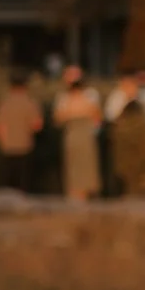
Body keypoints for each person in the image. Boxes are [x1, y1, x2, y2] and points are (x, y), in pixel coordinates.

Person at [52, 63, 106, 205]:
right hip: (72, 136)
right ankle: (75, 195)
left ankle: (86, 194)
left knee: (86, 166)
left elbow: (97, 117)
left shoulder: (90, 95)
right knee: (73, 166)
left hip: (85, 135)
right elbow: (58, 119)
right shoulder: (63, 97)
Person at [0, 72, 44, 188]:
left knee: (8, 183)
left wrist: (2, 143)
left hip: (7, 148)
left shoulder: (4, 104)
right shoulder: (30, 103)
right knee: (24, 183)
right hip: (24, 147)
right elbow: (37, 125)